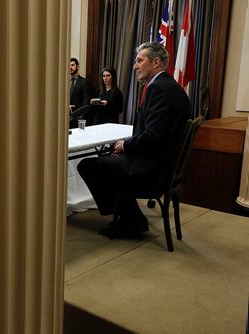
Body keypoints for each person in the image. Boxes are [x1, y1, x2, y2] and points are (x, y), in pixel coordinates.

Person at [77, 42, 191, 238]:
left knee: (87, 165)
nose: (135, 65)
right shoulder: (170, 86)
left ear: (155, 62)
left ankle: (128, 220)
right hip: (161, 165)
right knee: (107, 158)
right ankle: (130, 217)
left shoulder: (159, 89)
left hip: (150, 170)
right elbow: (155, 133)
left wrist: (126, 145)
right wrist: (126, 147)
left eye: (139, 60)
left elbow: (153, 136)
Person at [69, 57, 91, 128]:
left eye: (72, 65)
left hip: (78, 117)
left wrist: (81, 115)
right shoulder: (64, 82)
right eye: (69, 66)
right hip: (65, 117)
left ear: (77, 66)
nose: (70, 67)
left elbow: (86, 100)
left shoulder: (84, 82)